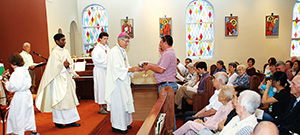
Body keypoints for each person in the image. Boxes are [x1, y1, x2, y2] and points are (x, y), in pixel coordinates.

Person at [35, 33, 81, 129]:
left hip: (66, 79)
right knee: (59, 101)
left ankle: (70, 121)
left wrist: (68, 66)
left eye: (65, 40)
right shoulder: (54, 53)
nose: (64, 42)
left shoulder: (66, 51)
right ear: (57, 41)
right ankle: (58, 121)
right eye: (62, 40)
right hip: (58, 80)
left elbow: (70, 63)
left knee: (69, 101)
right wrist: (63, 66)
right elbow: (54, 68)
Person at [105, 32, 141, 134]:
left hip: (123, 82)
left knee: (124, 102)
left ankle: (125, 123)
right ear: (119, 40)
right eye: (125, 41)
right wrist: (129, 70)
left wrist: (134, 69)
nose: (127, 44)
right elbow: (116, 69)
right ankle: (117, 126)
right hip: (116, 83)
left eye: (128, 41)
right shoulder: (114, 51)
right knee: (118, 105)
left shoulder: (122, 51)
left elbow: (126, 65)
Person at [2, 53, 39, 135]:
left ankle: (18, 132)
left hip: (20, 96)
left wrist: (6, 82)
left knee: (18, 114)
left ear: (13, 63)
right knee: (28, 113)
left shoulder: (15, 73)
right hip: (27, 94)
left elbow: (13, 87)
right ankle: (33, 130)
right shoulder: (25, 70)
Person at [92, 32, 110, 114]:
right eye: (104, 39)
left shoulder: (107, 48)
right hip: (100, 71)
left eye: (107, 39)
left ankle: (106, 105)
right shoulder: (96, 49)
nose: (106, 40)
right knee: (101, 88)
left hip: (106, 71)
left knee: (106, 88)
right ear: (100, 39)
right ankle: (101, 107)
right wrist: (107, 62)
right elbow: (96, 61)